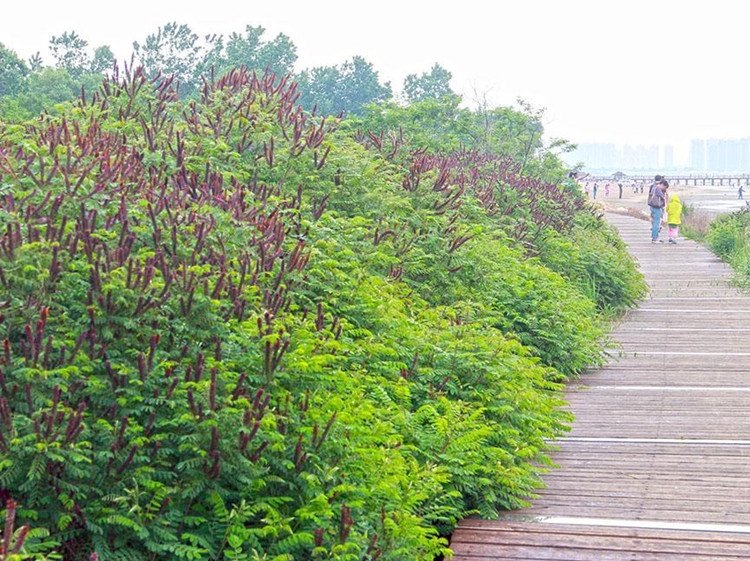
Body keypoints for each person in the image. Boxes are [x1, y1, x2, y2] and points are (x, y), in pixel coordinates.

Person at [648, 179, 668, 243]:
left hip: (652, 206)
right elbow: (663, 197)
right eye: (664, 187)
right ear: (662, 184)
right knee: (657, 223)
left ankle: (655, 237)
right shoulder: (658, 188)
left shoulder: (654, 187)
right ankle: (655, 238)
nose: (664, 189)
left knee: (655, 222)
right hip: (656, 207)